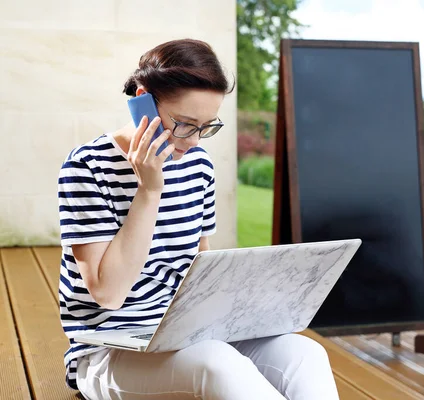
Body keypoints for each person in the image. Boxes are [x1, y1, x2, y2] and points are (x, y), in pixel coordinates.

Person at [57, 38, 340, 400]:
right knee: (216, 362)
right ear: (142, 99)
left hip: (188, 335)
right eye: (185, 123)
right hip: (111, 352)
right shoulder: (87, 167)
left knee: (304, 353)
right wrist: (149, 191)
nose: (192, 141)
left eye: (206, 126)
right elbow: (108, 293)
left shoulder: (198, 163)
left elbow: (201, 271)